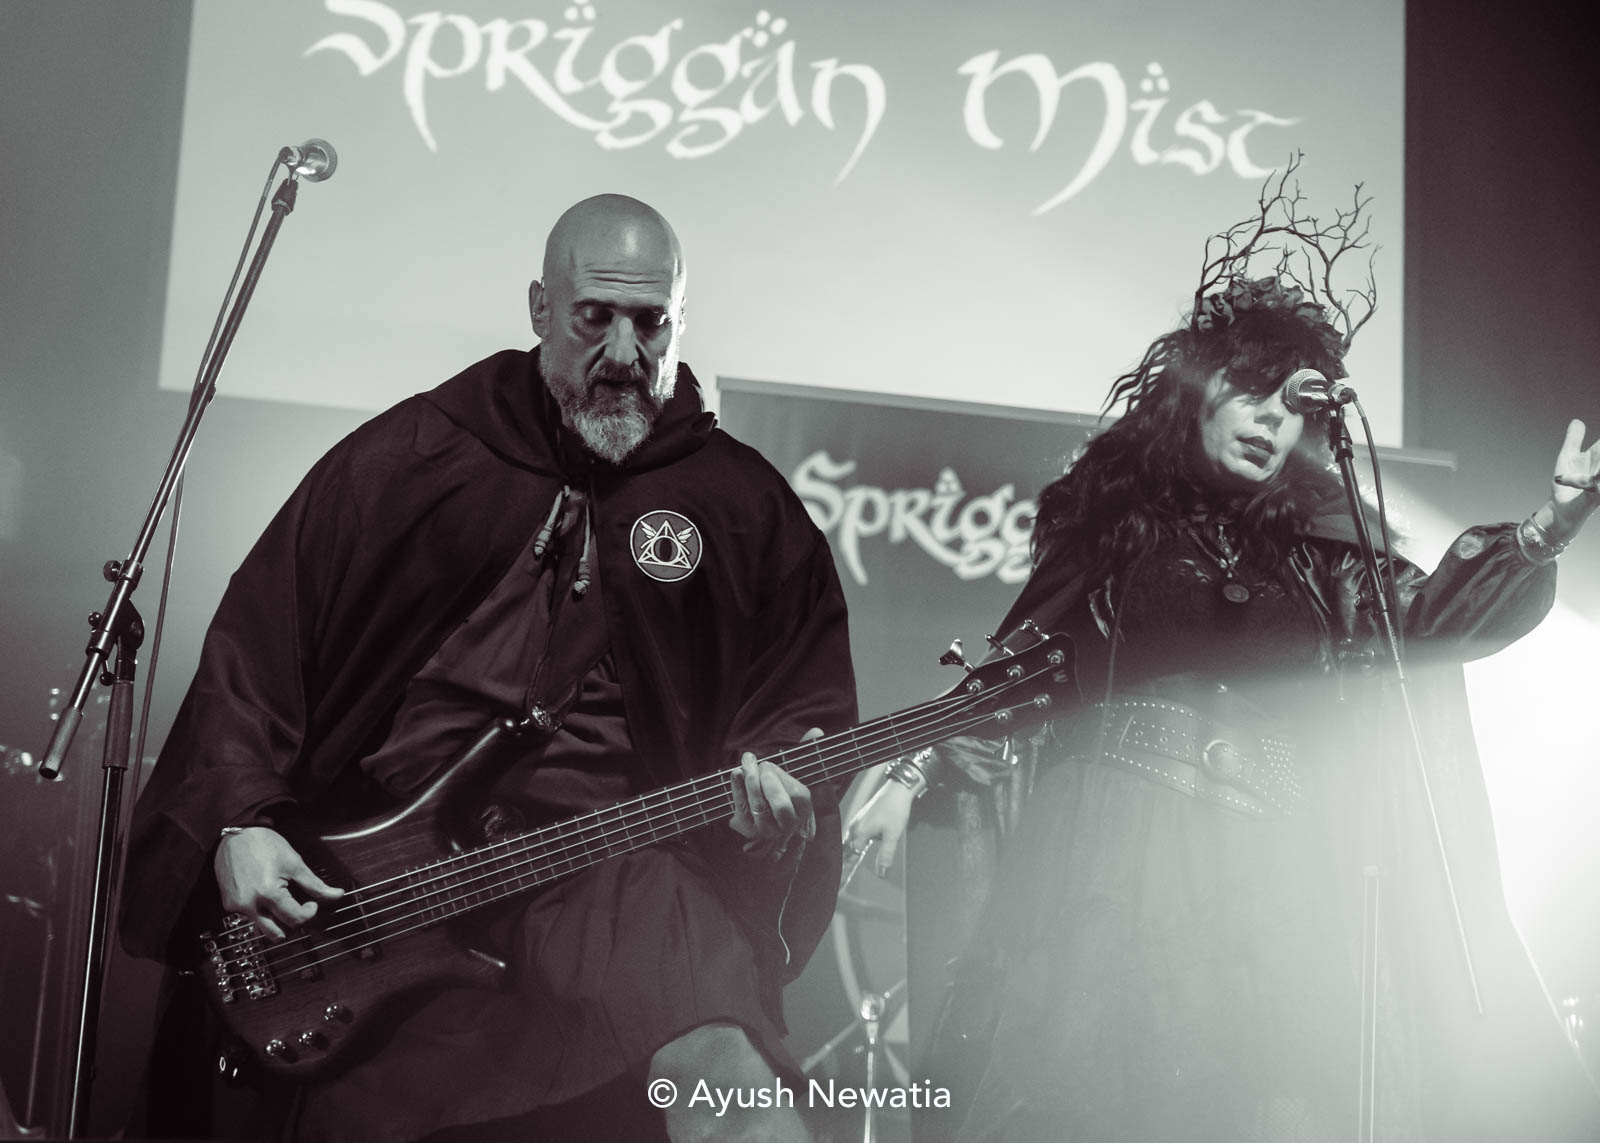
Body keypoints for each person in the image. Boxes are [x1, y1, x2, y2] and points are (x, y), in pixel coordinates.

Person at [119, 194, 857, 1143]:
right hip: (389, 885)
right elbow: (258, 649)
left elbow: (799, 708)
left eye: (651, 321)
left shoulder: (743, 507)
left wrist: (777, 802)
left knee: (737, 1083)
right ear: (541, 308)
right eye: (595, 316)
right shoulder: (414, 456)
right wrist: (241, 818)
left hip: (612, 873)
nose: (624, 353)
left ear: (682, 320)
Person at [847, 272, 1600, 1140]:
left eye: (1291, 405)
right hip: (1117, 851)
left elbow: (1425, 622)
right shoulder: (1117, 525)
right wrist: (912, 766)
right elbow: (1020, 659)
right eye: (1250, 390)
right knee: (1093, 1092)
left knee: (1272, 1100)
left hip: (1273, 867)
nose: (1270, 419)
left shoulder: (1325, 548)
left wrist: (1548, 529)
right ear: (1195, 394)